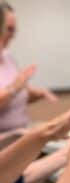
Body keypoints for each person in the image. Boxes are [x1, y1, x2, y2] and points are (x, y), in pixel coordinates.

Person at [0, 1, 58, 133]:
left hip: (21, 131)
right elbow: (13, 90)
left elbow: (16, 96)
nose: (13, 35)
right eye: (9, 29)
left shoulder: (7, 57)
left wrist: (36, 94)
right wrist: (14, 88)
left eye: (14, 30)